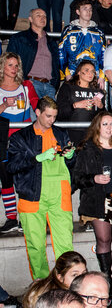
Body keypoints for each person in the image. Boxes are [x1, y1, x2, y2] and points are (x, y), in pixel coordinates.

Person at [7, 97, 76, 280]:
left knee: (65, 244)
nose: (51, 120)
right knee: (35, 246)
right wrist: (36, 158)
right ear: (37, 113)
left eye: (54, 116)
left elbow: (73, 165)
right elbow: (11, 166)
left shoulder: (62, 134)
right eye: (48, 116)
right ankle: (42, 286)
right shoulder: (20, 137)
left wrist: (70, 156)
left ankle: (67, 284)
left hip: (59, 194)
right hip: (31, 195)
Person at [73, 112, 112, 292]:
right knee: (103, 239)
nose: (109, 128)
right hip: (99, 200)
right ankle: (107, 278)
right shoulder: (88, 148)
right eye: (105, 124)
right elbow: (77, 177)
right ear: (97, 127)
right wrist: (94, 178)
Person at [0, 52, 39, 234]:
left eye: (16, 65)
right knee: (6, 179)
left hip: (23, 141)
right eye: (10, 65)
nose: (14, 69)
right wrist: (4, 105)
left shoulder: (26, 85)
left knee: (24, 181)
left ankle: (25, 218)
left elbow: (37, 104)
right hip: (3, 140)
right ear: (2, 66)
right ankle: (11, 218)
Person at [6, 8, 60, 100]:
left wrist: (54, 83)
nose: (42, 18)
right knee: (32, 114)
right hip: (30, 84)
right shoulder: (19, 38)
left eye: (44, 16)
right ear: (30, 19)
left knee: (49, 114)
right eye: (38, 15)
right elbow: (8, 62)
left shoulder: (51, 42)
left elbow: (56, 65)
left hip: (49, 87)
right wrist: (22, 81)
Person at [58, 0, 106, 90]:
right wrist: (67, 74)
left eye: (90, 9)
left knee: (94, 102)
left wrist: (101, 76)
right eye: (85, 9)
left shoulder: (98, 32)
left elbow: (104, 55)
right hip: (73, 75)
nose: (88, 12)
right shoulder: (69, 30)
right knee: (73, 103)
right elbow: (61, 53)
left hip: (93, 76)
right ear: (78, 12)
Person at [57, 60, 106, 144]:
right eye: (86, 70)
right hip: (70, 131)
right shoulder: (68, 87)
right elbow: (59, 113)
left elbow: (104, 116)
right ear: (79, 72)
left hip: (91, 133)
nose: (90, 74)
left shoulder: (98, 91)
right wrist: (75, 105)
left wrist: (101, 106)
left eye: (92, 72)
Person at [22, 252, 87, 308]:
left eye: (84, 273)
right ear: (60, 278)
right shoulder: (58, 298)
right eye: (75, 275)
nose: (82, 278)